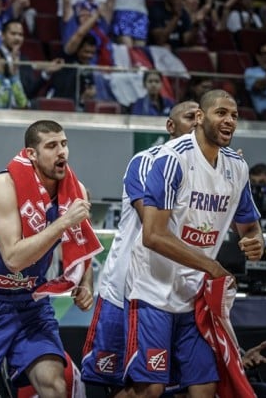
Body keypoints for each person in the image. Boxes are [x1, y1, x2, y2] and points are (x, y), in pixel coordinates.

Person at [124, 89, 265, 397]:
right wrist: (211, 266)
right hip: (153, 292)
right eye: (221, 113)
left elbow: (250, 226)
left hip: (195, 298)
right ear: (200, 118)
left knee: (205, 388)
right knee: (151, 389)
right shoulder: (172, 159)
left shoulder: (237, 167)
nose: (229, 120)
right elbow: (153, 235)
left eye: (234, 115)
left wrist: (255, 241)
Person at [0, 119, 98, 396]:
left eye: (64, 144)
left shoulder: (77, 191)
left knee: (54, 386)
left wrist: (86, 283)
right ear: (31, 154)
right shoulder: (4, 186)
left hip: (30, 303)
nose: (61, 152)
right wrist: (63, 223)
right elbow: (14, 258)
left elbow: (81, 244)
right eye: (51, 146)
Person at [81, 100, 199, 394]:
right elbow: (154, 224)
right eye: (189, 118)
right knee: (121, 383)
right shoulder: (148, 160)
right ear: (170, 126)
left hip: (178, 292)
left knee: (181, 385)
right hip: (126, 290)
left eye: (201, 117)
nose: (197, 123)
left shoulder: (212, 169)